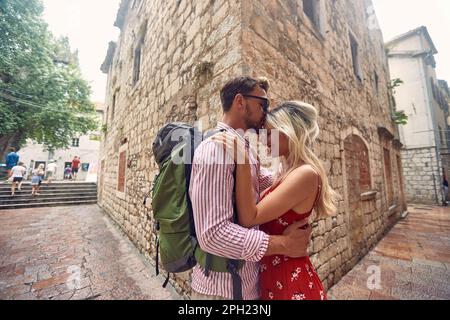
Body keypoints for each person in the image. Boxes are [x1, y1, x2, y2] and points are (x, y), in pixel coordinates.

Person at [189, 77, 313, 300]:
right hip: (224, 291)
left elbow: (273, 184)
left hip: (248, 286)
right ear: (240, 102)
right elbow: (213, 234)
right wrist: (285, 244)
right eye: (262, 104)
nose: (267, 112)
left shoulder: (242, 150)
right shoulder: (216, 151)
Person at [214, 101, 339, 300]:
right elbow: (258, 179)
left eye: (270, 133)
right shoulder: (285, 172)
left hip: (289, 283)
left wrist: (243, 160)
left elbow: (249, 217)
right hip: (274, 277)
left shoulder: (304, 174)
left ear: (290, 131)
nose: (264, 140)